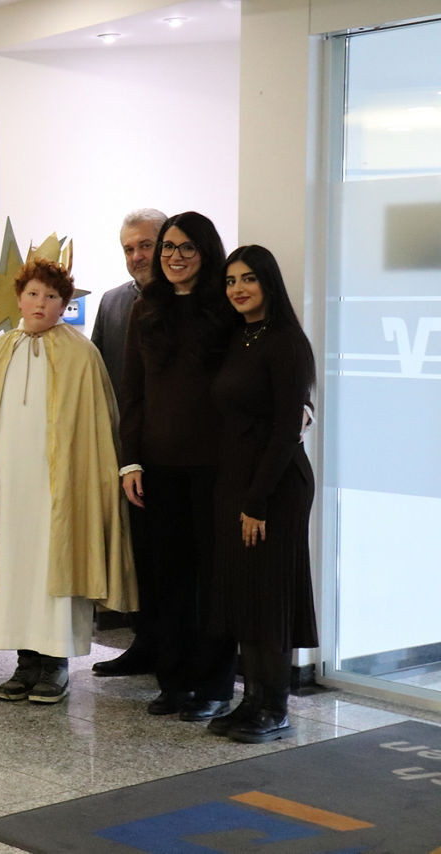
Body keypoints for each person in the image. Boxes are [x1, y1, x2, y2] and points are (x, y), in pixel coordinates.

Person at [0, 248, 136, 704]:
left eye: (52, 297)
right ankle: (25, 661)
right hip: (7, 485)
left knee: (55, 565)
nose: (41, 304)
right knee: (14, 568)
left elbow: (98, 427)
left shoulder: (81, 354)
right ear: (19, 298)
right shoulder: (0, 352)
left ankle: (55, 663)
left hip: (58, 487)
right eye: (34, 294)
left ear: (65, 305)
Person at [119, 211, 237, 721]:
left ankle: (214, 685)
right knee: (167, 578)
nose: (174, 257)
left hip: (217, 467)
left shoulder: (227, 306)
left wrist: (303, 406)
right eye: (168, 247)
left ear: (206, 252)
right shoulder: (145, 309)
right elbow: (133, 392)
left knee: (213, 580)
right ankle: (174, 682)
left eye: (187, 248)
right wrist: (130, 461)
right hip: (158, 467)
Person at [208, 245, 318, 742]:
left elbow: (286, 429)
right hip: (238, 480)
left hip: (275, 486)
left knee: (270, 595)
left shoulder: (286, 342)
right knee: (247, 594)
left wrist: (256, 502)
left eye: (248, 278)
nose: (238, 289)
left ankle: (275, 708)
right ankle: (251, 700)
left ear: (268, 282)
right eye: (231, 280)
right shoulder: (239, 337)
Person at [91, 208, 166, 678]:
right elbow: (98, 375)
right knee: (138, 553)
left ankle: (176, 651)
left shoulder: (192, 300)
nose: (137, 256)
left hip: (177, 449)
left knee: (173, 557)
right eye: (128, 248)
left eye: (146, 245)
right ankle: (146, 643)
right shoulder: (112, 303)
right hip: (128, 453)